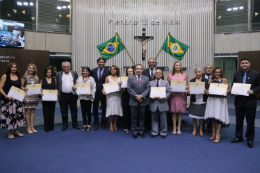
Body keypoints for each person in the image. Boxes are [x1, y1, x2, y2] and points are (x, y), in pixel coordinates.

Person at [231, 58, 260, 148]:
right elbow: (233, 85)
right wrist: (233, 91)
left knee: (250, 122)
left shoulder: (256, 74)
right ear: (240, 65)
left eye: (246, 63)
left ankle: (250, 139)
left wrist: (253, 91)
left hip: (250, 102)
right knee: (238, 121)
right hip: (239, 101)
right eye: (242, 63)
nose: (244, 65)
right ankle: (238, 137)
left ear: (249, 64)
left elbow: (259, 86)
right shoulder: (236, 74)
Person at [205, 67, 231, 143]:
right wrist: (207, 91)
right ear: (214, 73)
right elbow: (207, 89)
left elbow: (229, 89)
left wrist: (226, 92)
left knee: (218, 117)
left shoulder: (224, 80)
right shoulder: (210, 80)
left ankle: (218, 134)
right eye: (216, 72)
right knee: (213, 117)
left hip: (220, 100)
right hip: (211, 100)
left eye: (219, 72)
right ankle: (213, 132)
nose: (217, 73)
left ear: (221, 73)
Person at [0, 62, 25, 139]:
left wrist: (22, 96)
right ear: (9, 68)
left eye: (15, 67)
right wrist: (6, 96)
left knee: (17, 115)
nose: (14, 68)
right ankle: (10, 132)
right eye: (12, 67)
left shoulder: (18, 76)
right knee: (9, 116)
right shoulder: (5, 76)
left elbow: (20, 88)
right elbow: (0, 87)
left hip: (17, 101)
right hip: (8, 100)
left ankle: (16, 131)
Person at [128, 64, 151, 139]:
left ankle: (141, 131)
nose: (139, 70)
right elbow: (129, 88)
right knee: (133, 117)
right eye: (137, 69)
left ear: (142, 70)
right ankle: (134, 131)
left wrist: (141, 96)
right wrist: (136, 96)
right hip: (133, 100)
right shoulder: (130, 78)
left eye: (140, 69)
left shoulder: (146, 78)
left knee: (142, 117)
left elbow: (148, 88)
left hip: (143, 100)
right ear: (135, 70)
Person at [56, 61, 79, 131]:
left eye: (67, 67)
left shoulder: (74, 73)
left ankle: (75, 124)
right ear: (62, 68)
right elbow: (56, 84)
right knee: (64, 111)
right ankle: (65, 125)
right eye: (64, 67)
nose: (66, 68)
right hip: (63, 95)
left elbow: (77, 82)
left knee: (74, 111)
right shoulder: (58, 74)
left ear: (70, 67)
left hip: (72, 95)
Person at [142, 58, 164, 132]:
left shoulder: (159, 72)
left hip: (157, 96)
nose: (151, 63)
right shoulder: (144, 72)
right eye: (150, 62)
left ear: (155, 63)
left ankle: (157, 127)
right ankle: (147, 126)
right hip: (147, 95)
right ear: (148, 63)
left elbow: (162, 83)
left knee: (156, 111)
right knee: (147, 111)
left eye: (153, 62)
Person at [167, 60, 188, 135]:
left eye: (179, 65)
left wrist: (186, 87)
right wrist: (170, 87)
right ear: (174, 66)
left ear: (181, 66)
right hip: (173, 96)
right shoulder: (170, 75)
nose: (178, 66)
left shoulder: (184, 75)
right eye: (176, 65)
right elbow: (168, 86)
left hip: (181, 96)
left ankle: (179, 127)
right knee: (174, 112)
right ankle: (174, 127)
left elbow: (187, 85)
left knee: (180, 112)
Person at [73, 67, 96, 131]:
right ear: (82, 72)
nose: (85, 72)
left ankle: (89, 124)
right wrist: (74, 87)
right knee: (83, 111)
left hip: (88, 98)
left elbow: (94, 88)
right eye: (84, 71)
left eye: (86, 71)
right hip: (82, 97)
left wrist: (91, 93)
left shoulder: (91, 79)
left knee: (88, 111)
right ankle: (84, 124)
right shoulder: (79, 79)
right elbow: (76, 86)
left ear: (89, 72)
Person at [187, 67, 208, 137]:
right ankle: (194, 128)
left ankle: (201, 129)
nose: (197, 73)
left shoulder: (206, 81)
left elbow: (208, 91)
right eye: (196, 72)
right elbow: (188, 93)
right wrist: (188, 92)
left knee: (201, 116)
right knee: (194, 116)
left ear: (202, 72)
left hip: (202, 100)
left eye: (199, 72)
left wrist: (206, 91)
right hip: (194, 100)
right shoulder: (192, 80)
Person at [149, 69, 171, 139]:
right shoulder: (150, 83)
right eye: (156, 73)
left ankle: (163, 132)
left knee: (163, 119)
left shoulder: (166, 83)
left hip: (163, 103)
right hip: (153, 103)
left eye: (159, 73)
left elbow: (169, 92)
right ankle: (154, 132)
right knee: (154, 118)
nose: (157, 74)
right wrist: (151, 96)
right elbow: (148, 92)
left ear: (162, 75)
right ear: (154, 74)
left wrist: (163, 97)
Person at [102, 65, 123, 132]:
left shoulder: (120, 78)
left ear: (117, 70)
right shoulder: (108, 78)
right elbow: (104, 87)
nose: (112, 70)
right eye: (111, 69)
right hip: (110, 96)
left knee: (117, 109)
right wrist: (103, 91)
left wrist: (121, 87)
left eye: (114, 69)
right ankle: (111, 123)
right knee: (111, 110)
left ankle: (115, 123)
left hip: (117, 96)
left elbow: (123, 90)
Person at [92, 57, 110, 131]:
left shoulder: (108, 71)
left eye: (102, 62)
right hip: (95, 91)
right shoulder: (93, 70)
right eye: (100, 62)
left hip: (104, 91)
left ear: (104, 63)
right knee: (95, 107)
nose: (101, 63)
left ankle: (103, 122)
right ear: (97, 63)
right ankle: (96, 123)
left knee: (104, 108)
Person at [21, 63, 39, 134]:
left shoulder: (36, 78)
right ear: (27, 69)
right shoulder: (24, 77)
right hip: (27, 96)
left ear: (34, 70)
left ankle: (32, 126)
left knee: (33, 112)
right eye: (30, 68)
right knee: (28, 112)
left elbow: (37, 86)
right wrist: (24, 88)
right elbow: (21, 87)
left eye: (32, 68)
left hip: (34, 96)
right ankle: (28, 127)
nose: (31, 69)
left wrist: (39, 89)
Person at [40, 67, 57, 132]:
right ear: (45, 73)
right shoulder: (42, 80)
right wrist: (41, 93)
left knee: (52, 112)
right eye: (47, 72)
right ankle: (46, 127)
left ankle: (51, 126)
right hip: (45, 98)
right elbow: (40, 88)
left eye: (50, 72)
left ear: (51, 73)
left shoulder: (54, 80)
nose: (48, 73)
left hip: (52, 98)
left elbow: (55, 88)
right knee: (46, 112)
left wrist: (56, 93)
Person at [121, 67, 134, 133]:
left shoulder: (136, 79)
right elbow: (123, 91)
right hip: (125, 96)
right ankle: (126, 127)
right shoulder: (124, 79)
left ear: (133, 72)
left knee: (133, 112)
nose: (129, 72)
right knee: (126, 111)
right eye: (128, 71)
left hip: (134, 96)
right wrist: (121, 87)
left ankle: (133, 126)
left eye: (131, 71)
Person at [202, 64, 213, 132]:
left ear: (212, 70)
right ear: (204, 70)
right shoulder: (201, 77)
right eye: (207, 68)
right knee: (203, 112)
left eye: (210, 68)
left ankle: (210, 126)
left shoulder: (215, 77)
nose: (208, 69)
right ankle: (202, 126)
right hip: (203, 97)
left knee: (211, 112)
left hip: (213, 98)